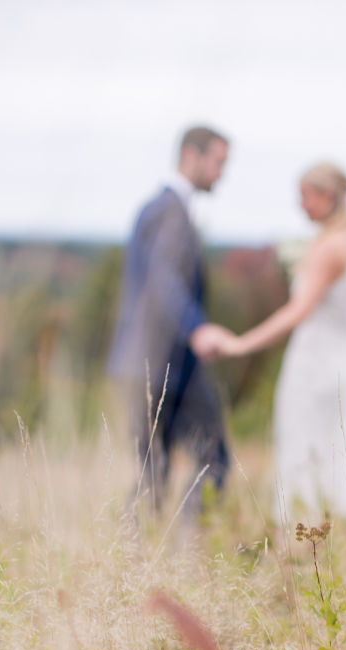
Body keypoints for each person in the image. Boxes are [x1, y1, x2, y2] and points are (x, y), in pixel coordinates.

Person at [204, 162, 346, 521]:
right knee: (337, 447)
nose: (301, 205)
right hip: (345, 364)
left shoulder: (330, 247)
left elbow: (297, 311)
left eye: (305, 196)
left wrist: (242, 343)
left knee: (300, 444)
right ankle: (339, 533)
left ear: (329, 197)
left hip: (313, 363)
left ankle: (301, 534)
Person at [107, 125, 238, 526]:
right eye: (217, 163)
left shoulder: (159, 207)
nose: (221, 174)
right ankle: (187, 552)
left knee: (157, 469)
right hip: (160, 361)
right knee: (208, 460)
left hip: (147, 362)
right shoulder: (170, 212)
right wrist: (197, 327)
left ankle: (152, 559)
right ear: (191, 156)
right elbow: (164, 279)